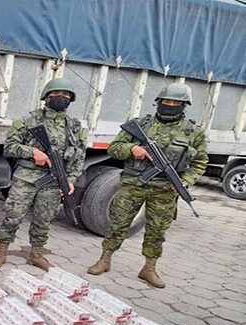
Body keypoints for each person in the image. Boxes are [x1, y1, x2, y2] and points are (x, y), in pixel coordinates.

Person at [87, 83, 208, 288]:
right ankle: (105, 260)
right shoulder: (141, 125)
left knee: (157, 231)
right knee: (118, 224)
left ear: (184, 106)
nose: (170, 105)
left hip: (165, 190)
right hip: (133, 184)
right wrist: (132, 148)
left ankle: (149, 269)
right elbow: (114, 148)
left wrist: (186, 180)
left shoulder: (193, 132)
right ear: (158, 102)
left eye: (176, 103)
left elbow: (200, 162)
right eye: (166, 101)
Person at [0, 78, 87, 271]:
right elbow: (10, 147)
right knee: (13, 216)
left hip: (54, 181)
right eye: (56, 93)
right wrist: (32, 152)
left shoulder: (75, 127)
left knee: (44, 219)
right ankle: (1, 253)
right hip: (26, 178)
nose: (61, 97)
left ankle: (36, 255)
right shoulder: (27, 121)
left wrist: (70, 179)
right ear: (47, 96)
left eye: (66, 95)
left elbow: (79, 157)